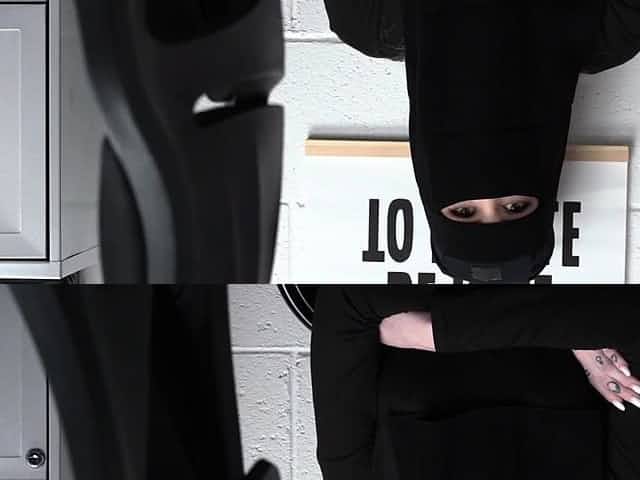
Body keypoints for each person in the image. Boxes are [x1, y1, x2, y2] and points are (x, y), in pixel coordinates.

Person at [322, 0, 640, 283]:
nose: (487, 187)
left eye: (464, 212)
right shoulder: (613, 28)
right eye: (514, 207)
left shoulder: (366, 19)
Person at [311, 286, 640, 479]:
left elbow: (346, 303)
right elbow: (632, 318)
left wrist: (572, 327)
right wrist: (426, 332)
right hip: (559, 235)